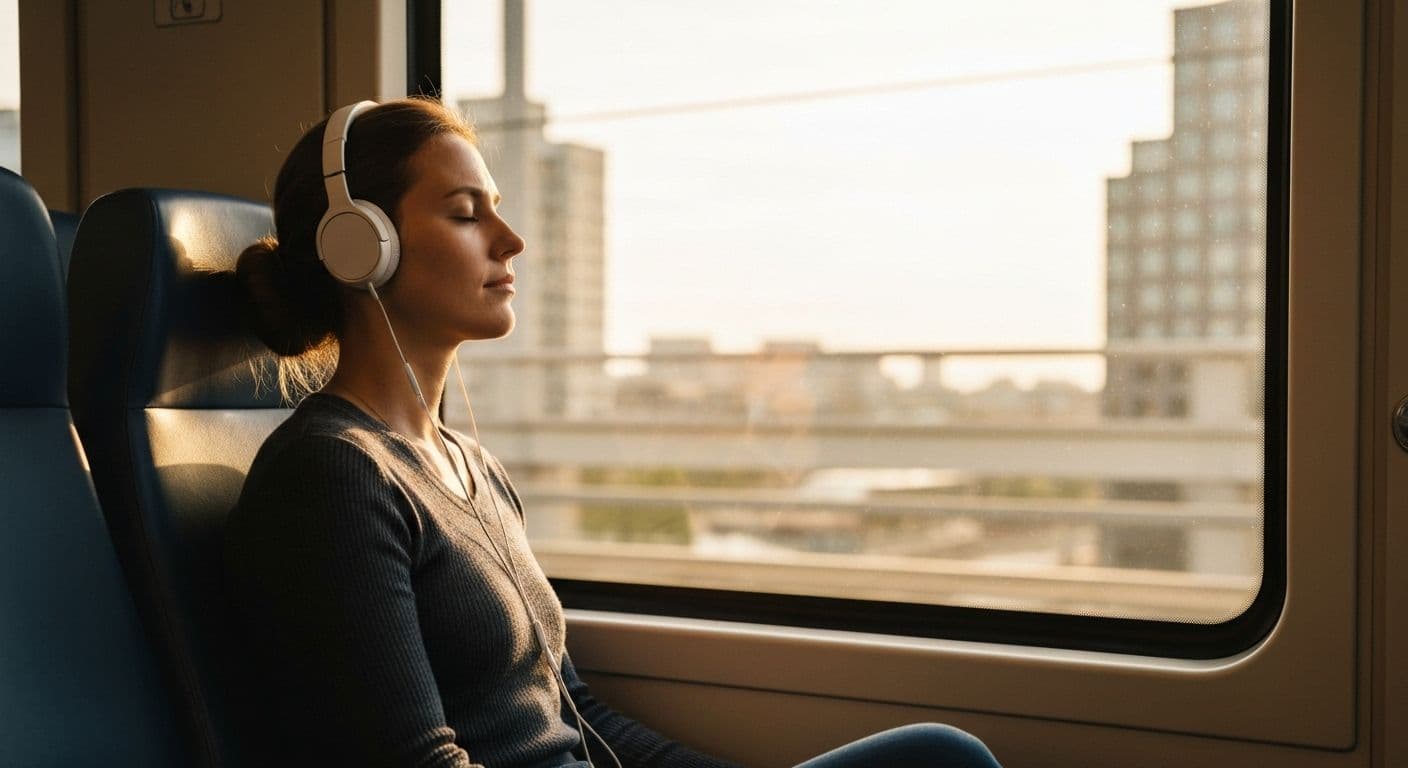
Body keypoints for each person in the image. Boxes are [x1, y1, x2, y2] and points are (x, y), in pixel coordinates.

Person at [224, 96, 1002, 768]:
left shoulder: (470, 466)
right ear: (360, 246)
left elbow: (581, 717)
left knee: (939, 755)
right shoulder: (331, 475)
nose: (510, 239)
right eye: (466, 213)